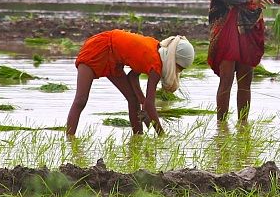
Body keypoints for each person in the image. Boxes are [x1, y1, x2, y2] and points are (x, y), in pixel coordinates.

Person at [66, 31, 194, 137]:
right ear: (173, 59)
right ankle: (69, 139)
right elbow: (150, 105)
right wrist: (161, 134)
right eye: (179, 67)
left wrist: (141, 101)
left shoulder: (158, 52)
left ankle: (137, 138)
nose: (179, 71)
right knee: (80, 99)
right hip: (99, 47)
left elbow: (132, 76)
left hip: (114, 60)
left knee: (133, 100)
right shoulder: (156, 64)